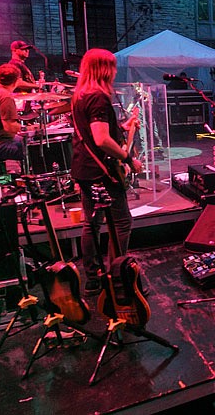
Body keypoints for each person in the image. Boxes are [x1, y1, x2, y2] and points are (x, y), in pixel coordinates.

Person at [70, 49, 142, 296]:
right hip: (101, 172)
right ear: (104, 69)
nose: (115, 72)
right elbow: (101, 140)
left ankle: (91, 278)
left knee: (91, 223)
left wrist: (122, 127)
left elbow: (93, 132)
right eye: (112, 67)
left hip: (83, 168)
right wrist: (129, 159)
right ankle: (118, 276)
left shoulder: (81, 95)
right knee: (121, 222)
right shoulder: (99, 98)